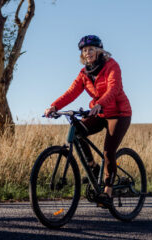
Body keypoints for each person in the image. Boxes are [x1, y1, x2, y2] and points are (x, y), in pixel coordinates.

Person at [44, 35, 132, 208]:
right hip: (99, 113)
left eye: (91, 49)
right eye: (84, 50)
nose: (88, 53)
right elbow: (71, 93)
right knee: (77, 130)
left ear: (99, 51)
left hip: (119, 114)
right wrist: (54, 106)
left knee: (108, 152)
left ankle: (108, 191)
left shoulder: (111, 65)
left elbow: (114, 88)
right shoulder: (84, 73)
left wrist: (100, 104)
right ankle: (92, 166)